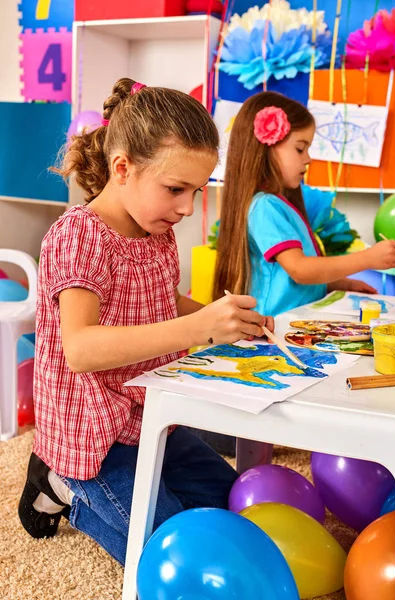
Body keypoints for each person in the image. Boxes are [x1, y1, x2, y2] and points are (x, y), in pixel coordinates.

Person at [18, 79, 274, 565]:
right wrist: (200, 330)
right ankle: (59, 482)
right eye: (176, 189)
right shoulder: (79, 236)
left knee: (233, 509)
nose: (187, 208)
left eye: (197, 191)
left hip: (150, 420)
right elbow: (81, 348)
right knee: (171, 551)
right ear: (122, 168)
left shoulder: (156, 231)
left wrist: (226, 319)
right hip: (92, 436)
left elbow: (162, 300)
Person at [213, 92, 395, 316]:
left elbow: (286, 279)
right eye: (300, 148)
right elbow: (300, 270)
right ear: (266, 147)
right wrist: (368, 258)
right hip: (275, 327)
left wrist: (338, 283)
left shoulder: (277, 203)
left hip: (291, 322)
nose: (308, 158)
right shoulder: (264, 206)